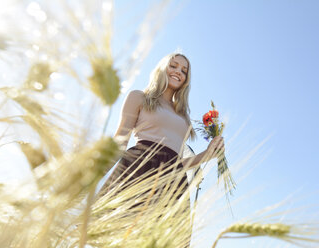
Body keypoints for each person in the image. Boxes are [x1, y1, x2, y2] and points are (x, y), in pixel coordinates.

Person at [96, 54, 224, 246]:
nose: (178, 72)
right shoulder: (139, 97)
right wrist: (93, 175)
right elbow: (120, 141)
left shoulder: (183, 117)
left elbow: (177, 161)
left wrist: (206, 155)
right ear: (162, 68)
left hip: (172, 179)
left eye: (184, 71)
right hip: (139, 168)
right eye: (174, 66)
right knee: (122, 234)